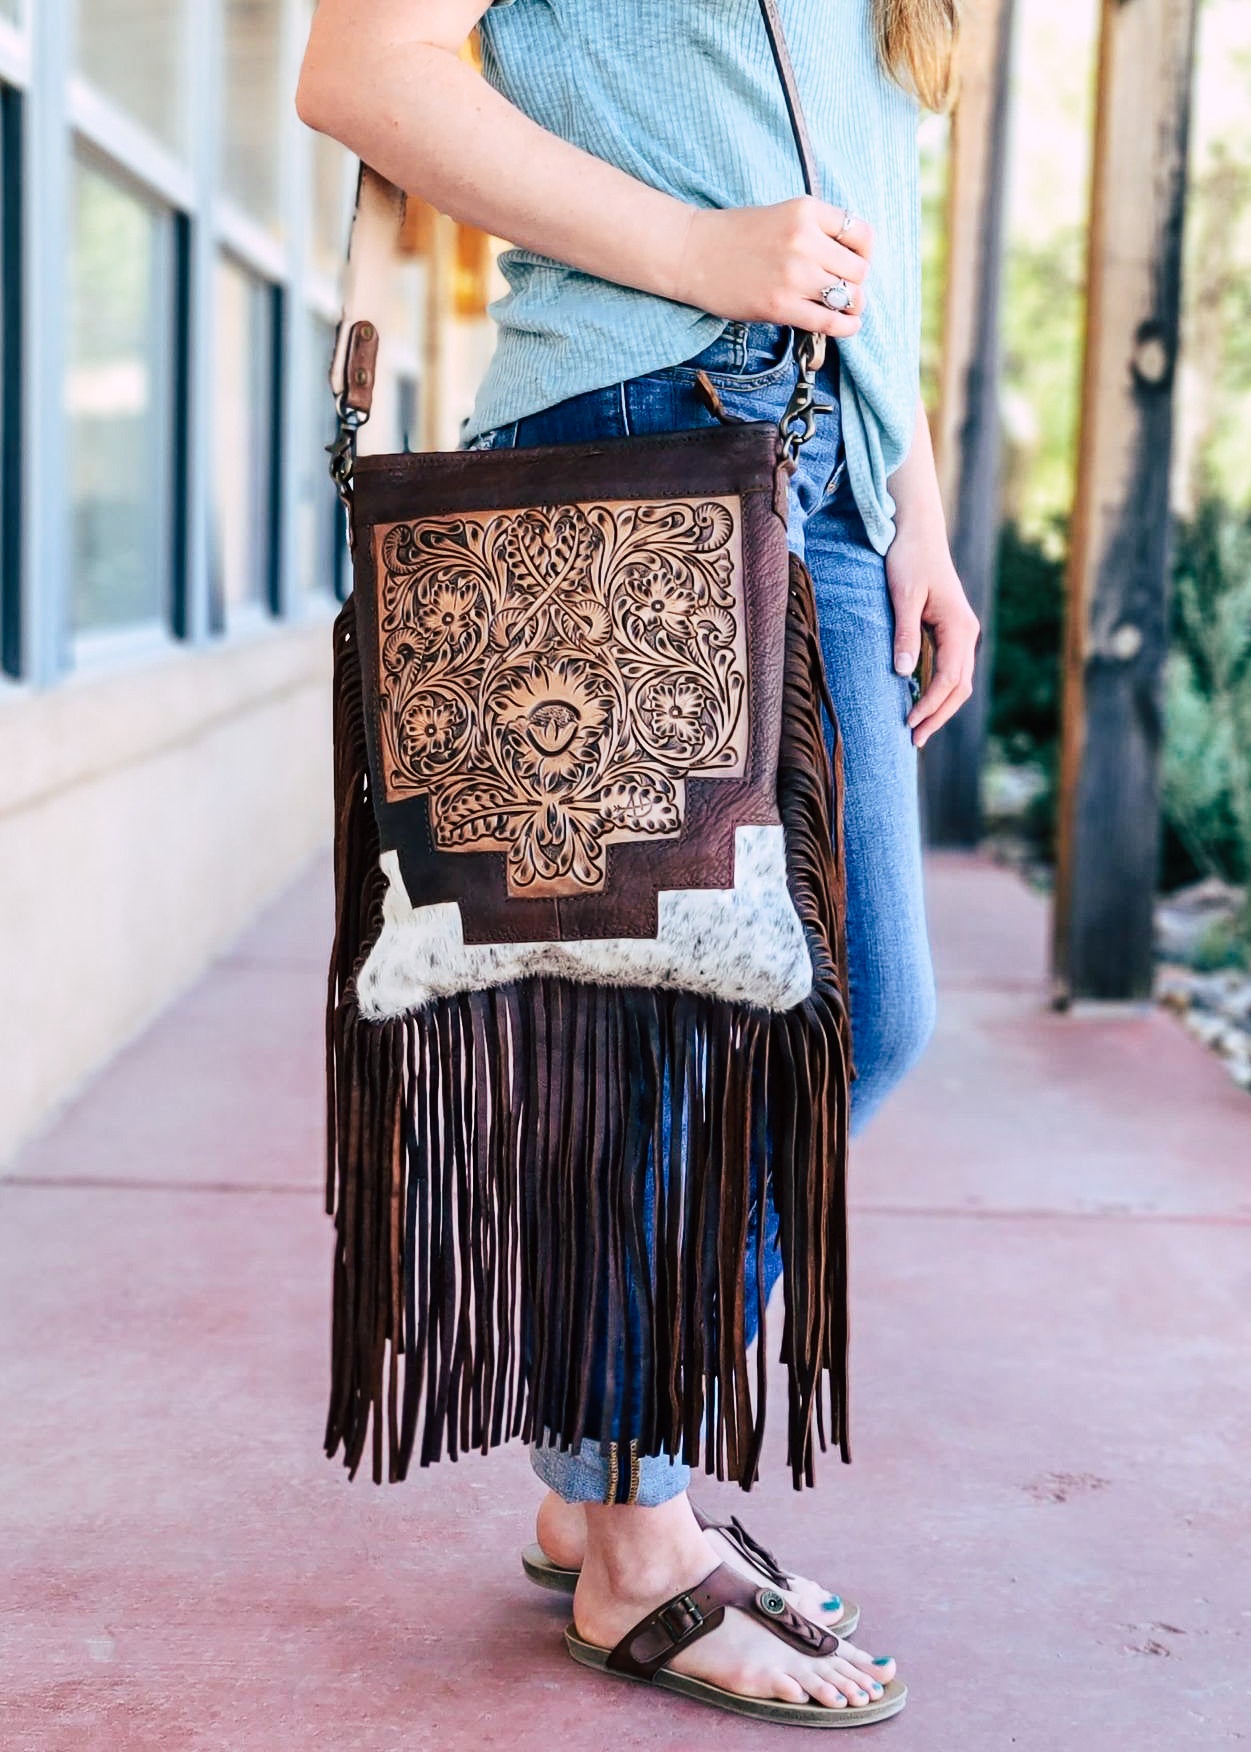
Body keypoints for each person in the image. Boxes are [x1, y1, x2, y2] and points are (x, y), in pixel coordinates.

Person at [299, 0, 976, 1724]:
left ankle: (606, 1475)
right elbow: (361, 68)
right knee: (756, 1034)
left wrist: (918, 513)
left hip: (822, 467)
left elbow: (869, 199)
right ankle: (634, 1540)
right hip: (643, 436)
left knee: (810, 1026)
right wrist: (703, 251)